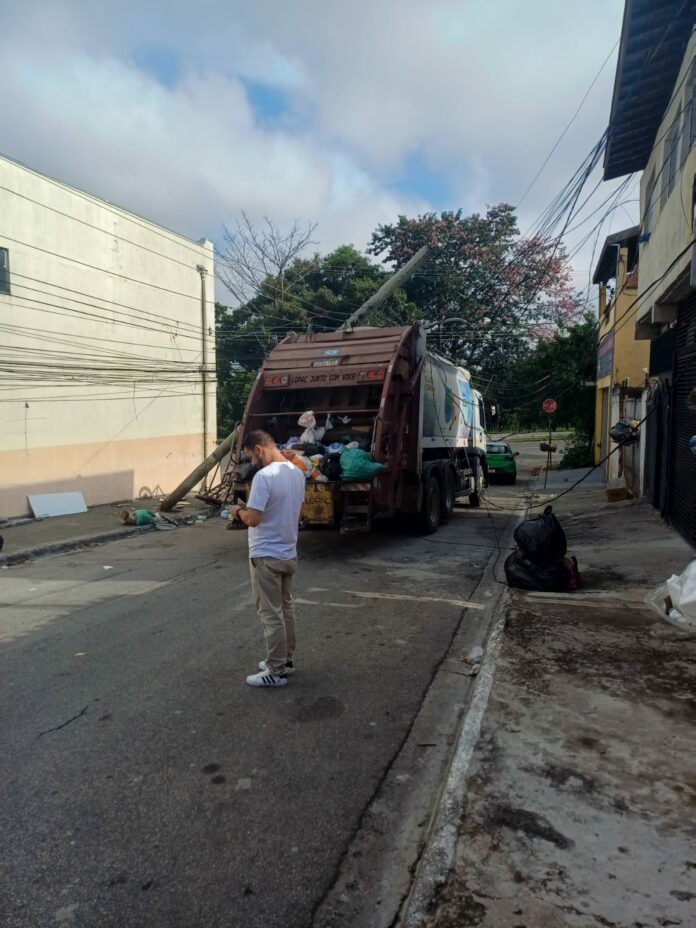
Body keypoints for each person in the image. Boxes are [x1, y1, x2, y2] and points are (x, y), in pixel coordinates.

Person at [229, 430, 306, 688]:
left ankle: (275, 671)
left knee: (270, 614)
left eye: (252, 457)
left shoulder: (264, 477)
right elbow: (297, 515)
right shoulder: (297, 473)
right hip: (288, 553)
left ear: (259, 450)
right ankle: (286, 660)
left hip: (266, 556)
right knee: (286, 609)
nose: (252, 462)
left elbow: (253, 518)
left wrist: (237, 511)